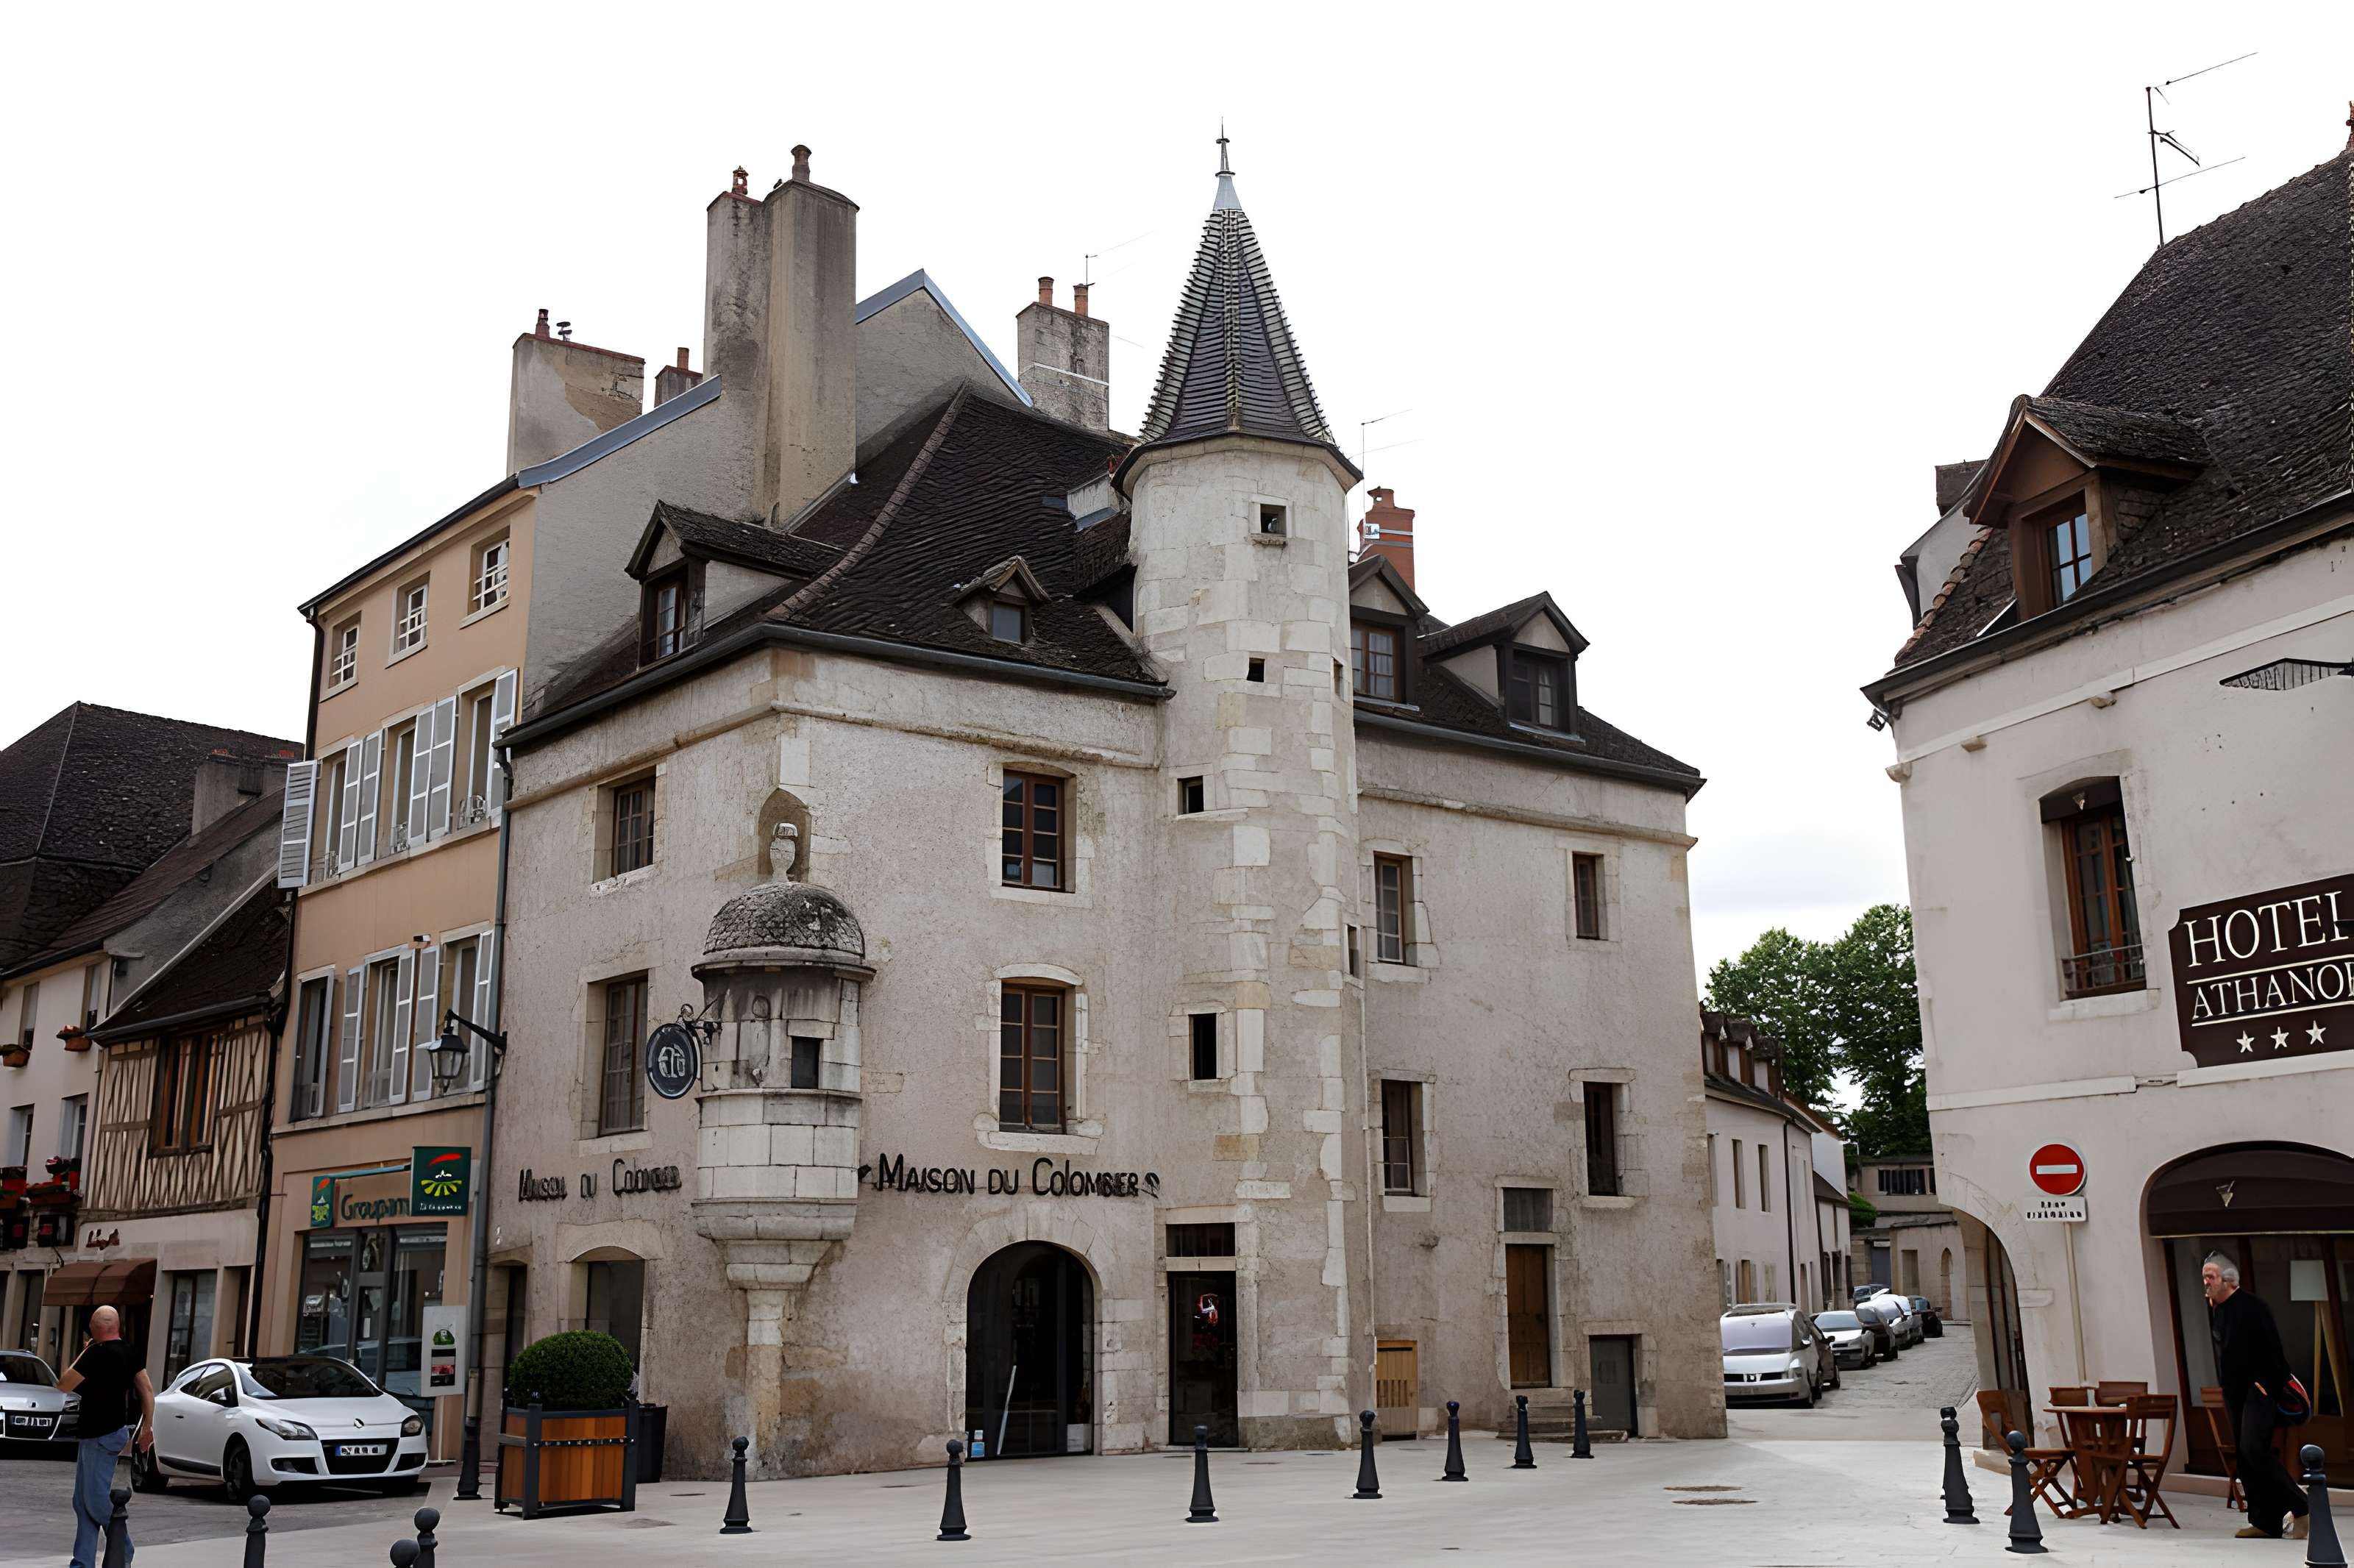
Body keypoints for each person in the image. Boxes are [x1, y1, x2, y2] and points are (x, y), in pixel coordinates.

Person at [2204, 1254, 2311, 1542]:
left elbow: (2274, 1352)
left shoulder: (2253, 1307)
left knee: (2255, 1451)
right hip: (2235, 1393)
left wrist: (2264, 1385)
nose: (2206, 1283)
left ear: (2229, 1280)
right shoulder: (2218, 1310)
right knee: (2245, 1458)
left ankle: (2302, 1507)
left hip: (2259, 1391)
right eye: (2204, 1277)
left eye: (2211, 1277)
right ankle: (2265, 1522)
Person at [55, 1305, 154, 1568]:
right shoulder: (130, 1352)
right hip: (111, 1433)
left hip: (98, 1436)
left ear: (95, 1329)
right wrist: (148, 1426)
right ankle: (82, 1562)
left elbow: (63, 1384)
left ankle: (123, 1550)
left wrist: (84, 1351)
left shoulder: (94, 1354)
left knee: (96, 1502)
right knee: (81, 1502)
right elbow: (147, 1389)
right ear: (117, 1327)